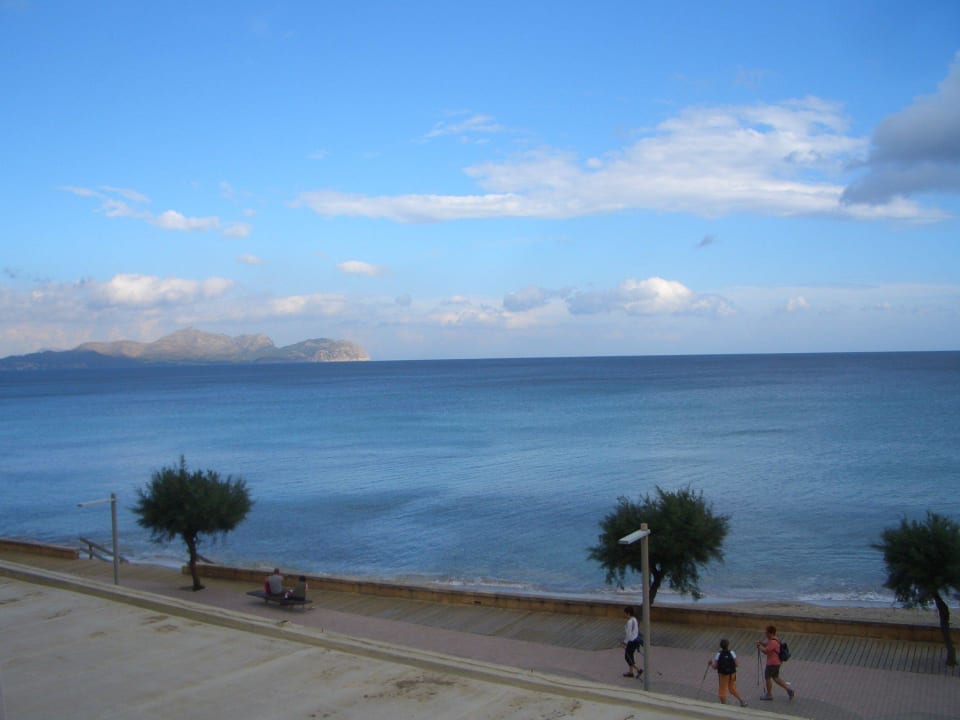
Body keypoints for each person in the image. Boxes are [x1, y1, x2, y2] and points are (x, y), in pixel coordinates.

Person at [756, 624, 795, 701]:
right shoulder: (775, 639)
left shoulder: (772, 642)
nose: (765, 634)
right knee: (776, 677)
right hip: (777, 663)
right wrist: (761, 642)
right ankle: (788, 689)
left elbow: (766, 651)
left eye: (766, 633)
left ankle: (769, 694)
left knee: (767, 677)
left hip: (772, 663)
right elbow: (767, 645)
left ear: (770, 633)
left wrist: (759, 647)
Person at [708, 638, 747, 707]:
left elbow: (715, 667)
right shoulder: (732, 653)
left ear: (720, 646)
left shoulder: (719, 654)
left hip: (723, 674)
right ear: (728, 645)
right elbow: (737, 664)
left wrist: (711, 663)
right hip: (732, 673)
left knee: (722, 690)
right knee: (732, 688)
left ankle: (724, 706)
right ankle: (742, 701)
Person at [619, 605, 643, 678]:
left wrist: (624, 643)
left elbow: (629, 634)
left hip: (631, 641)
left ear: (628, 613)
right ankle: (630, 672)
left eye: (625, 613)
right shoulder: (635, 620)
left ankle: (638, 669)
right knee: (631, 656)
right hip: (635, 640)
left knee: (627, 657)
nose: (625, 615)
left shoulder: (629, 622)